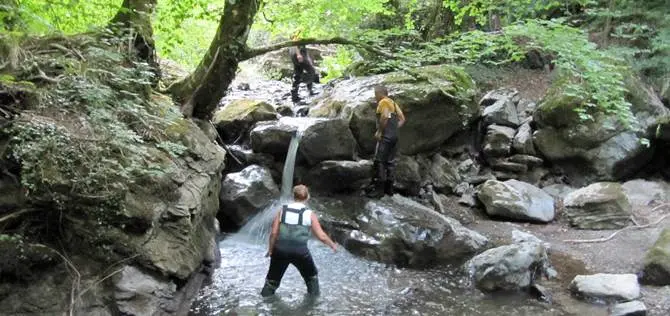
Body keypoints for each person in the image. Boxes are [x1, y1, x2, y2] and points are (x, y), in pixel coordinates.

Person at [261, 184, 337, 297]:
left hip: (280, 250)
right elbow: (321, 236)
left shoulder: (282, 210)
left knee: (272, 281)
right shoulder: (309, 214)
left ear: (293, 196)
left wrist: (271, 250)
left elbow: (274, 233)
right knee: (311, 277)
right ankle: (313, 305)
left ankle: (264, 304)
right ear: (307, 197)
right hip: (300, 252)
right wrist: (332, 245)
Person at [366, 85, 406, 198]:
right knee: (390, 162)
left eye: (375, 94)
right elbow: (402, 119)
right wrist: (393, 129)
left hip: (385, 137)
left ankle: (379, 191)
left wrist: (380, 131)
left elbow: (384, 116)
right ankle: (389, 190)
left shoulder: (383, 102)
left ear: (380, 93)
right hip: (394, 137)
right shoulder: (393, 103)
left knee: (379, 161)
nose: (375, 96)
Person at [289, 32, 319, 104]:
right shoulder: (299, 29)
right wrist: (298, 54)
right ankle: (308, 88)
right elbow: (294, 40)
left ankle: (294, 96)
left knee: (297, 73)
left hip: (294, 52)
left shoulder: (297, 30)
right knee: (311, 71)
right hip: (298, 52)